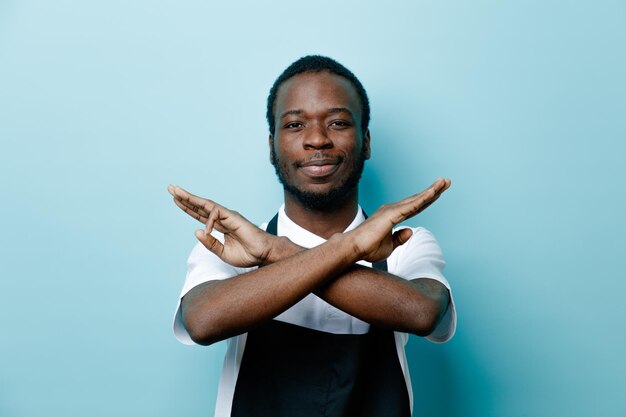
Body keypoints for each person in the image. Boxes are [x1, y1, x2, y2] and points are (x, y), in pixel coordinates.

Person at [169, 55, 456, 417]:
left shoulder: (404, 244)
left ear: (366, 142)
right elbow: (202, 321)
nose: (317, 139)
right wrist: (349, 247)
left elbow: (423, 312)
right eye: (295, 125)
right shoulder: (231, 246)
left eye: (337, 122)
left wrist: (275, 251)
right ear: (272, 145)